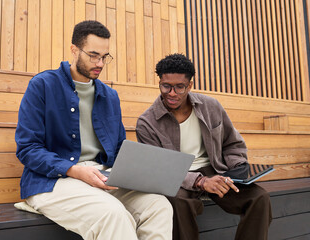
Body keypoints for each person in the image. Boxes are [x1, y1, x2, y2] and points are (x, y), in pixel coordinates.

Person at [15, 20, 173, 240]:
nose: (100, 62)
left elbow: (117, 149)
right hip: (52, 181)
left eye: (105, 57)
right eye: (93, 55)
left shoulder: (110, 96)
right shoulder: (42, 85)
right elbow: (28, 148)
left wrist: (139, 170)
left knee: (158, 206)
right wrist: (74, 170)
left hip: (102, 176)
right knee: (113, 214)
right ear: (74, 50)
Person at [136, 53, 272, 240]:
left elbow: (233, 143)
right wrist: (200, 181)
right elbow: (158, 169)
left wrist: (237, 170)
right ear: (160, 82)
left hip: (216, 170)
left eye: (179, 87)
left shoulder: (211, 106)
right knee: (176, 202)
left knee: (259, 198)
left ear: (190, 86)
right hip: (177, 176)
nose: (172, 93)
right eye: (166, 86)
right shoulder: (147, 122)